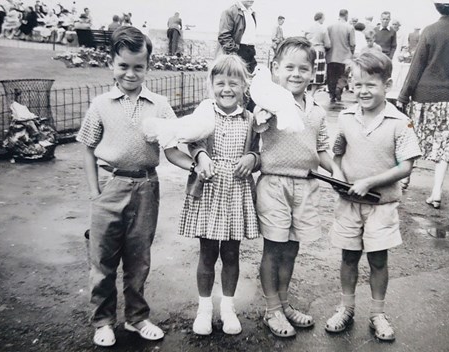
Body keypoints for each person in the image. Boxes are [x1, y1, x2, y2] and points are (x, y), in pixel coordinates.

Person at [76, 26, 189, 347]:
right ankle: (103, 320)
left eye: (138, 66)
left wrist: (196, 165)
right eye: (123, 65)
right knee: (103, 259)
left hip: (146, 187)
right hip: (110, 188)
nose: (130, 73)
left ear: (148, 67)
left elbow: (171, 149)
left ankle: (137, 318)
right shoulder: (100, 104)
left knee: (139, 259)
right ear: (111, 63)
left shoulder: (160, 105)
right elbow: (86, 146)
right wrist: (94, 192)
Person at [324, 51, 422, 342]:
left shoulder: (399, 122)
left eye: (371, 85)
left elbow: (406, 166)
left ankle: (378, 313)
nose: (363, 91)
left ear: (387, 85)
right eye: (358, 84)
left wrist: (370, 182)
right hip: (349, 204)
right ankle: (346, 307)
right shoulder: (345, 118)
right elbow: (337, 155)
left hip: (382, 205)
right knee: (349, 257)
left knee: (378, 260)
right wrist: (339, 177)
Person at [254, 37, 343, 338]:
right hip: (274, 185)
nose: (296, 73)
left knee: (291, 250)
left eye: (303, 68)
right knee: (274, 248)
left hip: (306, 187)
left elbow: (322, 150)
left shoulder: (317, 111)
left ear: (313, 72)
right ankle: (271, 310)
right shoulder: (269, 104)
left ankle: (284, 302)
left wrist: (342, 174)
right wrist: (260, 115)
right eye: (289, 67)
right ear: (276, 69)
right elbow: (256, 128)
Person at [175, 54, 260, 336]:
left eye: (233, 83)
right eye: (220, 82)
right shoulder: (205, 113)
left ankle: (228, 308)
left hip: (236, 191)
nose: (226, 89)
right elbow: (193, 141)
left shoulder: (252, 119)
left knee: (232, 253)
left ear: (244, 86)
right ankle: (204, 309)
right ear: (211, 84)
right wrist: (200, 156)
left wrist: (251, 157)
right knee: (207, 253)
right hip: (209, 189)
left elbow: (261, 151)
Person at [397, 1, 449, 208]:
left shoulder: (429, 31)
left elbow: (417, 66)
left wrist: (403, 96)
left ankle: (404, 179)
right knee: (444, 145)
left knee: (414, 140)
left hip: (424, 96)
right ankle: (436, 192)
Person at [218, 0, 257, 74]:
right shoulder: (230, 11)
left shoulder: (252, 13)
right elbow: (224, 35)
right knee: (237, 79)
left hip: (250, 51)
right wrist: (233, 52)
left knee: (251, 80)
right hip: (238, 51)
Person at [326, 9, 356, 103]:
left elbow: (327, 42)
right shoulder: (350, 27)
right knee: (343, 76)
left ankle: (332, 95)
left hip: (331, 56)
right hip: (344, 57)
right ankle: (338, 89)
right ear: (346, 15)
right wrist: (352, 54)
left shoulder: (330, 26)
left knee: (331, 77)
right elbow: (352, 43)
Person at [305, 12, 331, 91]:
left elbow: (304, 40)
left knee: (307, 70)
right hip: (319, 51)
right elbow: (328, 44)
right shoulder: (323, 29)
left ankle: (304, 91)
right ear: (321, 18)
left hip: (309, 51)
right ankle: (312, 95)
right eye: (323, 18)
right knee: (318, 74)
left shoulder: (308, 28)